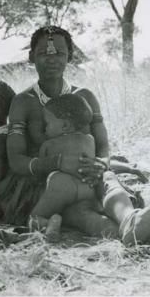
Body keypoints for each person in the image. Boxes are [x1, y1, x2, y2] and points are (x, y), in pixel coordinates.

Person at [0, 26, 150, 249]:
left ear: (70, 56)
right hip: (42, 182)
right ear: (31, 57)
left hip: (88, 175)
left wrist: (99, 165)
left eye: (59, 53)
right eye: (44, 53)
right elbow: (16, 161)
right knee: (75, 210)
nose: (52, 59)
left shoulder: (85, 97)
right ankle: (143, 235)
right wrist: (57, 163)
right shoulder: (23, 101)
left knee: (108, 181)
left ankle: (130, 221)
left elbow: (103, 146)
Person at [29, 93, 97, 237]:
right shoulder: (90, 140)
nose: (45, 128)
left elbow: (41, 174)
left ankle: (48, 224)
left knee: (32, 219)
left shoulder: (48, 145)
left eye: (47, 123)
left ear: (65, 125)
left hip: (62, 186)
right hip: (88, 188)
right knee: (83, 215)